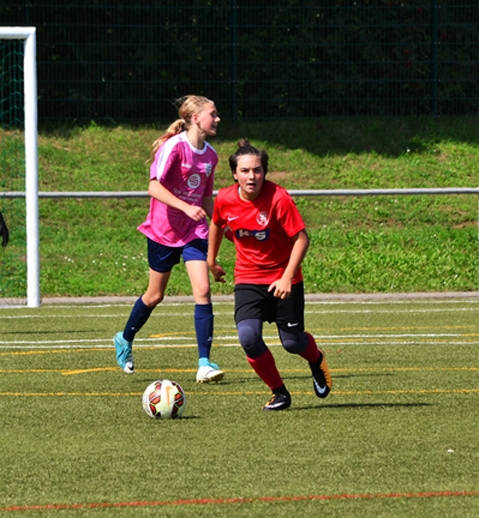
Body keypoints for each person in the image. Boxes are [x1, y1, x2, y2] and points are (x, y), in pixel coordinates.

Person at [207, 139, 332, 410]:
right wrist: (211, 261)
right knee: (248, 337)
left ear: (264, 172)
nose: (252, 176)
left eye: (257, 170)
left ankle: (316, 359)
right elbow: (216, 224)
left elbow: (302, 239)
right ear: (234, 174)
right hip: (248, 278)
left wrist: (287, 277)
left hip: (284, 278)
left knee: (292, 342)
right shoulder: (225, 198)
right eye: (245, 171)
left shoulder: (279, 198)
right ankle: (279, 393)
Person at [114, 95, 224, 383]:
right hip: (164, 230)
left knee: (203, 290)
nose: (217, 119)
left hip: (194, 231)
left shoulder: (211, 156)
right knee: (155, 295)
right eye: (213, 114)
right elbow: (153, 187)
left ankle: (204, 363)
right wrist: (186, 207)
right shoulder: (173, 146)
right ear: (196, 118)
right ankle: (125, 338)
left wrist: (223, 226)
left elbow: (206, 198)